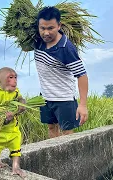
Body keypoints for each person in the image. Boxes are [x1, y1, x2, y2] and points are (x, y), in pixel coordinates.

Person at [33, 6, 89, 138]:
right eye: (43, 28)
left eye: (50, 28)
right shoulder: (37, 42)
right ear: (38, 27)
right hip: (45, 97)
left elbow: (82, 75)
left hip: (64, 99)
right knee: (51, 128)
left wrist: (83, 105)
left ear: (59, 26)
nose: (46, 33)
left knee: (67, 134)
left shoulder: (66, 48)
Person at [0, 67, 26, 178]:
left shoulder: (16, 92)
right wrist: (4, 117)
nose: (15, 81)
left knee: (16, 147)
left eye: (15, 77)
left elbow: (21, 99)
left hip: (13, 130)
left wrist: (22, 104)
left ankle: (15, 166)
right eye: (10, 77)